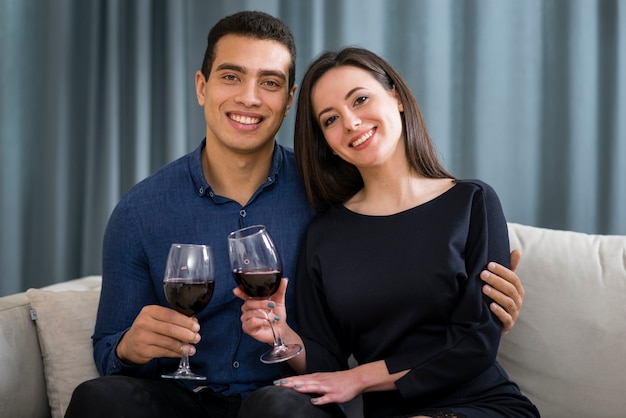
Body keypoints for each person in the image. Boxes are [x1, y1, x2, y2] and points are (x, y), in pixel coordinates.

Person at [65, 11, 525, 418]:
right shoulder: (141, 210)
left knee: (277, 406)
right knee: (98, 398)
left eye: (269, 82)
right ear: (202, 87)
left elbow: (406, 247)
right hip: (184, 395)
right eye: (231, 76)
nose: (249, 97)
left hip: (284, 398)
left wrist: (488, 303)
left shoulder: (327, 196)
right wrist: (129, 346)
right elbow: (109, 348)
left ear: (288, 100)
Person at [235, 47, 540, 418]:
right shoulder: (325, 234)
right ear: (325, 142)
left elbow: (476, 341)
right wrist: (285, 335)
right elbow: (328, 365)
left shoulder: (472, 202)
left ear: (395, 96)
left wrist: (360, 378)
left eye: (360, 100)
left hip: (482, 404)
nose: (350, 123)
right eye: (330, 120)